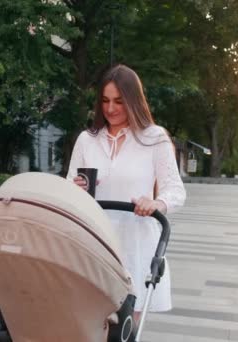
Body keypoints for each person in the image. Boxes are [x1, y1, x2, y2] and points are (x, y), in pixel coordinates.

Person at [66, 64, 186, 324]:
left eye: (119, 101)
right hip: (95, 244)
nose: (110, 108)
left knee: (125, 330)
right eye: (105, 101)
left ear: (133, 100)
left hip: (136, 245)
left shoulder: (155, 139)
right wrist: (74, 189)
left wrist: (156, 203)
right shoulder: (87, 140)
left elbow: (175, 190)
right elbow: (68, 186)